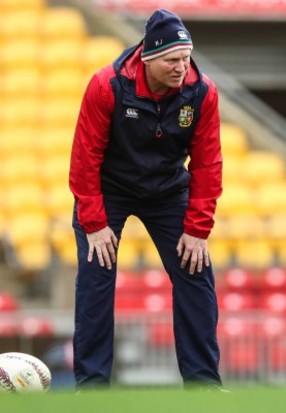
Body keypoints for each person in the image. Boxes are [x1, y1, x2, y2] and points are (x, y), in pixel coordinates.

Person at [69, 9, 223, 389]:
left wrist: (198, 229)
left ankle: (204, 385)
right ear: (148, 57)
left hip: (168, 190)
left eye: (186, 59)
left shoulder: (202, 91)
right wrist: (95, 223)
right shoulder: (107, 85)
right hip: (109, 191)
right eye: (172, 60)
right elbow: (84, 158)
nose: (181, 67)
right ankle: (92, 387)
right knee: (95, 281)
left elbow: (208, 165)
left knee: (195, 273)